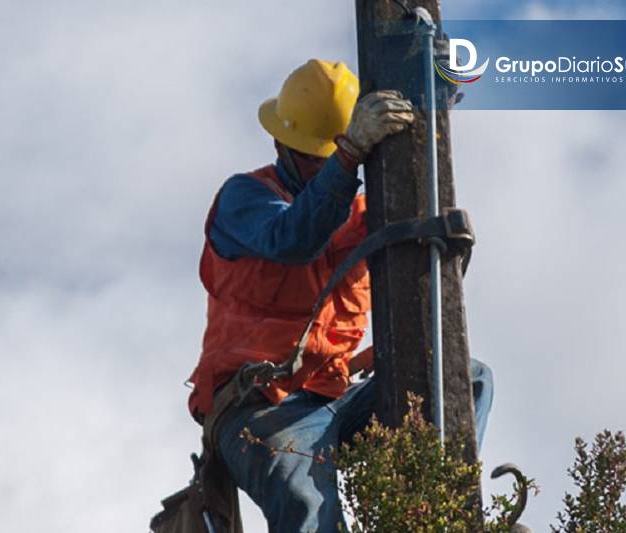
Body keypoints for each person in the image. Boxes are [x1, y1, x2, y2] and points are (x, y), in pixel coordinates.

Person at [185, 59, 494, 533]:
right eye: (318, 156)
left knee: (462, 379)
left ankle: (438, 517)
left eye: (336, 155)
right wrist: (348, 155)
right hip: (262, 409)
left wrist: (429, 116)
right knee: (306, 507)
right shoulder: (243, 200)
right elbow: (295, 238)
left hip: (334, 396)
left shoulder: (368, 214)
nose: (328, 165)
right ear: (281, 144)